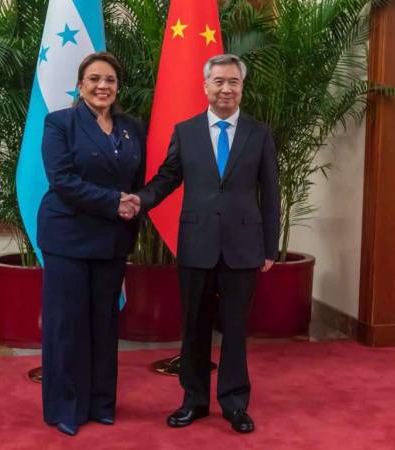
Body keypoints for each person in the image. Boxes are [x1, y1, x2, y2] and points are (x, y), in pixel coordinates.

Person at [122, 54, 280, 434]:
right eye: (219, 82)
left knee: (236, 329)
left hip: (244, 246)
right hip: (197, 244)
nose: (227, 89)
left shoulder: (259, 133)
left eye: (234, 82)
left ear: (242, 88)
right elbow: (167, 177)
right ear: (205, 86)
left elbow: (272, 193)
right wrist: (140, 200)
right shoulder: (187, 131)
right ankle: (193, 401)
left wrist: (270, 247)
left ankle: (235, 403)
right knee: (194, 326)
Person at [37, 52, 145, 436]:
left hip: (112, 240)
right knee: (66, 324)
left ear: (118, 87)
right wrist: (115, 201)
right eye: (95, 79)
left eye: (111, 80)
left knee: (104, 322)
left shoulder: (132, 126)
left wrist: (137, 201)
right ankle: (65, 407)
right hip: (67, 236)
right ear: (80, 85)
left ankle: (101, 403)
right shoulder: (59, 123)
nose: (103, 86)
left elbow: (138, 178)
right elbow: (62, 179)